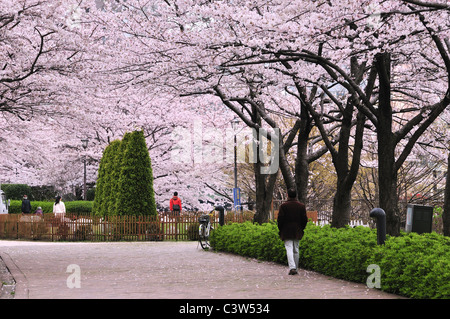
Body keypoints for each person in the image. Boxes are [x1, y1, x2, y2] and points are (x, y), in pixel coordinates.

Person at [277, 188, 308, 275]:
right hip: (297, 230)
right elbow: (304, 220)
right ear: (296, 195)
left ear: (287, 195)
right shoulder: (301, 206)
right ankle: (296, 268)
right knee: (296, 249)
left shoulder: (283, 206)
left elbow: (280, 219)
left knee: (289, 248)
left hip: (286, 230)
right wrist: (301, 228)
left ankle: (292, 267)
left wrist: (281, 229)